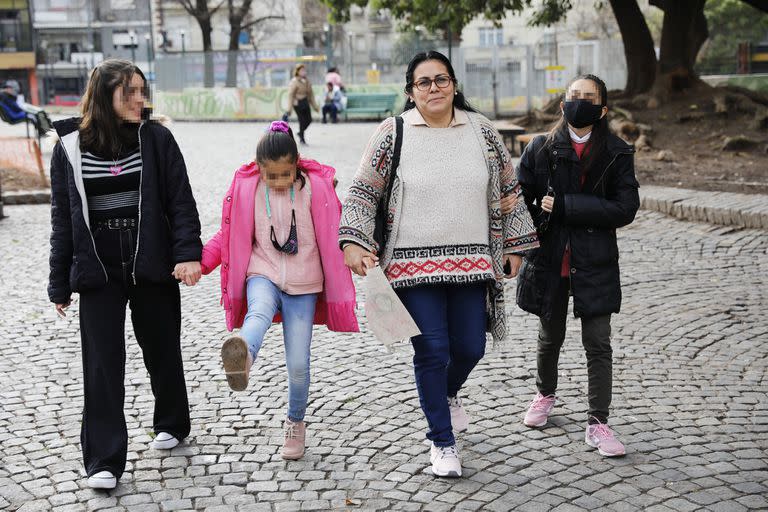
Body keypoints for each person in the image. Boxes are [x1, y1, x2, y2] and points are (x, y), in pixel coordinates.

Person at [338, 51, 538, 478]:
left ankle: (445, 395)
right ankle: (442, 441)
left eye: (441, 79)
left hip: (473, 263)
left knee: (470, 347)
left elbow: (509, 188)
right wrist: (353, 242)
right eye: (423, 82)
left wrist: (515, 244)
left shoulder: (482, 131)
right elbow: (362, 192)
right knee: (432, 350)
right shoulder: (393, 133)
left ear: (454, 84)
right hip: (411, 268)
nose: (434, 88)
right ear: (411, 91)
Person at [47, 59, 202, 489]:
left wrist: (189, 255)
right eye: (128, 92)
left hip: (150, 260)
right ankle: (103, 460)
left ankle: (171, 420)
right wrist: (59, 281)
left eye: (142, 90)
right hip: (98, 270)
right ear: (103, 97)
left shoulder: (157, 139)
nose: (139, 100)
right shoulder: (69, 148)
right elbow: (63, 219)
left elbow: (180, 203)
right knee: (101, 365)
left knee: (162, 346)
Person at [199, 120, 359, 460]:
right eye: (271, 176)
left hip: (304, 284)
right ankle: (243, 357)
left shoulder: (315, 189)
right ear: (259, 170)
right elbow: (226, 238)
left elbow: (340, 229)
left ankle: (295, 423)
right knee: (257, 312)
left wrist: (357, 251)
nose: (278, 182)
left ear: (296, 164)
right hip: (263, 273)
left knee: (299, 364)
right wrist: (201, 263)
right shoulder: (249, 191)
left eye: (285, 175)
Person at [513, 74, 639, 457]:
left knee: (598, 343)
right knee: (549, 336)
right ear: (563, 103)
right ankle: (544, 395)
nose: (578, 102)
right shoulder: (541, 148)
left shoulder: (617, 152)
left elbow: (625, 208)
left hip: (596, 262)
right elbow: (520, 203)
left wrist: (567, 205)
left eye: (588, 97)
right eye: (573, 96)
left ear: (601, 109)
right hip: (551, 261)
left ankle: (598, 422)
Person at [286, 64, 319, 145]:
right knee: (301, 120)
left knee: (309, 120)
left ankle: (300, 132)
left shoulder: (307, 81)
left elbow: (311, 95)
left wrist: (315, 107)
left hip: (305, 102)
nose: (304, 72)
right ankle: (302, 139)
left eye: (304, 70)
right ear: (297, 72)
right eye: (302, 70)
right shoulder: (294, 81)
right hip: (297, 103)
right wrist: (289, 109)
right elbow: (291, 95)